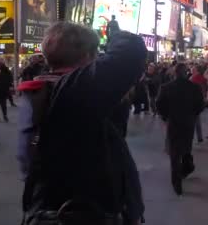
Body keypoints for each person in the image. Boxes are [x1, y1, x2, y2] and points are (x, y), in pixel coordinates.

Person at [17, 22, 146, 225]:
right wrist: (115, 32)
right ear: (87, 56)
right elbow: (130, 53)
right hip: (84, 214)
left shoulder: (46, 90)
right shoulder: (72, 90)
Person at [157, 63, 205, 196]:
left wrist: (166, 116)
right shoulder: (194, 88)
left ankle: (176, 182)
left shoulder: (166, 88)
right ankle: (187, 167)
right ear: (186, 73)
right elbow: (201, 105)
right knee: (186, 147)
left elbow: (159, 104)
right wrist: (192, 115)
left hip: (173, 123)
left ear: (174, 73)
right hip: (188, 123)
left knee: (174, 152)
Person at [189, 66, 207, 143]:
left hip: (192, 101)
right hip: (199, 101)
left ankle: (191, 137)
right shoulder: (202, 77)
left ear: (195, 70)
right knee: (197, 120)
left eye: (192, 70)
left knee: (192, 122)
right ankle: (199, 137)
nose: (191, 71)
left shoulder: (193, 78)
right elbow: (205, 87)